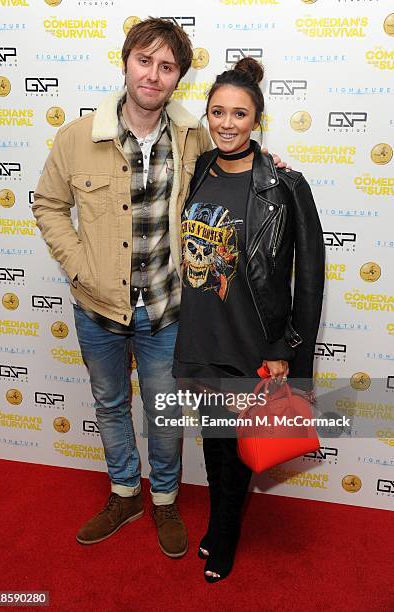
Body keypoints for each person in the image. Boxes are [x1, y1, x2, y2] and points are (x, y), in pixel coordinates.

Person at [32, 17, 287, 559]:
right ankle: (124, 492)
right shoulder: (77, 137)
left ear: (178, 79)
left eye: (166, 66)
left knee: (165, 409)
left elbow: (236, 159)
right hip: (96, 307)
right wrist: (79, 266)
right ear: (126, 62)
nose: (153, 74)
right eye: (144, 61)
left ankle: (165, 498)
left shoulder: (194, 135)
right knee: (108, 403)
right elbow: (49, 206)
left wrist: (270, 165)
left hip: (168, 310)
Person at [173, 57, 325, 581]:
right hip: (198, 336)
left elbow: (307, 278)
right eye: (217, 112)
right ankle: (221, 523)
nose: (227, 123)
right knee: (215, 447)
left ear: (257, 120)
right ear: (208, 117)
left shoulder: (284, 186)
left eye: (240, 114)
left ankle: (226, 533)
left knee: (238, 454)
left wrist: (285, 349)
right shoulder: (197, 171)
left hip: (249, 344)